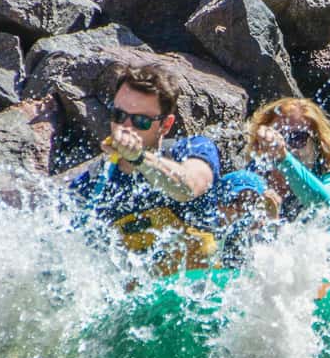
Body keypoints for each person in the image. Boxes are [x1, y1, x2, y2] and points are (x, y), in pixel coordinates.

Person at [69, 63, 221, 271]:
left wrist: (138, 157)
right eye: (119, 116)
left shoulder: (192, 150)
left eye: (141, 121)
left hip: (199, 289)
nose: (126, 127)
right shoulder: (92, 184)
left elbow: (189, 187)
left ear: (165, 125)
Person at [247, 97, 330, 237]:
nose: (284, 144)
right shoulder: (253, 179)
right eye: (277, 136)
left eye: (297, 138)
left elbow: (325, 207)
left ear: (318, 144)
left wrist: (284, 158)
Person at [215, 170, 279, 267]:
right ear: (220, 205)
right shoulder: (205, 238)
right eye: (235, 201)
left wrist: (273, 220)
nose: (242, 209)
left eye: (251, 202)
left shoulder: (262, 237)